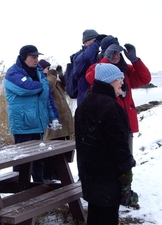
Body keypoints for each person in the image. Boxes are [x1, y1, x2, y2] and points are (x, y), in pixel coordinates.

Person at [75, 63, 139, 225]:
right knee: (108, 217)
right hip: (107, 176)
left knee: (95, 214)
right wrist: (126, 170)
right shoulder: (111, 107)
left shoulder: (84, 104)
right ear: (109, 81)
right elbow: (119, 146)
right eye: (119, 79)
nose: (122, 83)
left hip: (89, 175)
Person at [4, 45, 61, 182]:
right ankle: (19, 190)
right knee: (21, 160)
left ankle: (39, 186)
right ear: (24, 58)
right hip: (23, 124)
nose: (36, 60)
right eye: (33, 57)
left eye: (37, 57)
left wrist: (53, 117)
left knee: (38, 159)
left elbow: (47, 97)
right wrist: (41, 85)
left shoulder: (39, 73)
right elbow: (25, 88)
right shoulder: (13, 73)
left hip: (38, 123)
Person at [85, 35, 151, 153]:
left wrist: (135, 60)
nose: (116, 55)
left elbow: (145, 79)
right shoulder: (97, 68)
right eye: (112, 52)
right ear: (105, 53)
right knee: (111, 160)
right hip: (108, 124)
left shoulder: (126, 70)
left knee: (127, 158)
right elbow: (90, 78)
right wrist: (106, 59)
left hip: (126, 123)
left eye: (118, 52)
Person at [39, 59, 75, 181]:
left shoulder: (54, 80)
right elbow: (48, 87)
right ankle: (48, 176)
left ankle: (58, 174)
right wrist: (52, 73)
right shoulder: (43, 80)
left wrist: (61, 75)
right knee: (51, 151)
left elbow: (66, 87)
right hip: (53, 124)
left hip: (63, 122)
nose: (50, 70)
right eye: (47, 68)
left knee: (62, 152)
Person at [72, 29, 107, 105]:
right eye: (94, 40)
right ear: (86, 42)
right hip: (85, 100)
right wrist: (97, 43)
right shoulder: (78, 57)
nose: (98, 43)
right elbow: (87, 58)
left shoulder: (97, 56)